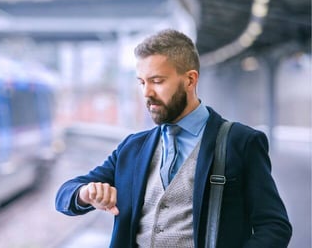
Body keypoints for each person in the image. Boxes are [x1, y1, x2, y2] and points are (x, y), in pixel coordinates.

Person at [55, 29, 292, 248]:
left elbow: (274, 226)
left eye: (157, 81)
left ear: (190, 79)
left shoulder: (241, 142)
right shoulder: (133, 147)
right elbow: (65, 195)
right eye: (142, 82)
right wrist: (86, 193)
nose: (147, 93)